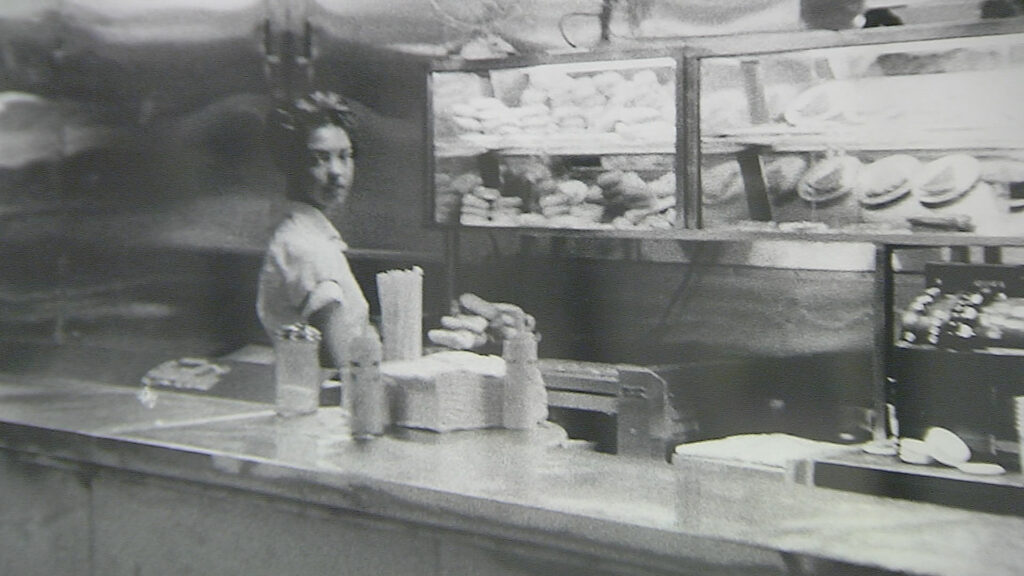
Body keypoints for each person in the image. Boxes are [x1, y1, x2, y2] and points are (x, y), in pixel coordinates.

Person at [257, 91, 370, 369]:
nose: (336, 171)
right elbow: (336, 364)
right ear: (290, 163)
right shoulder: (308, 249)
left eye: (345, 156)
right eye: (319, 158)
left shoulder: (307, 234)